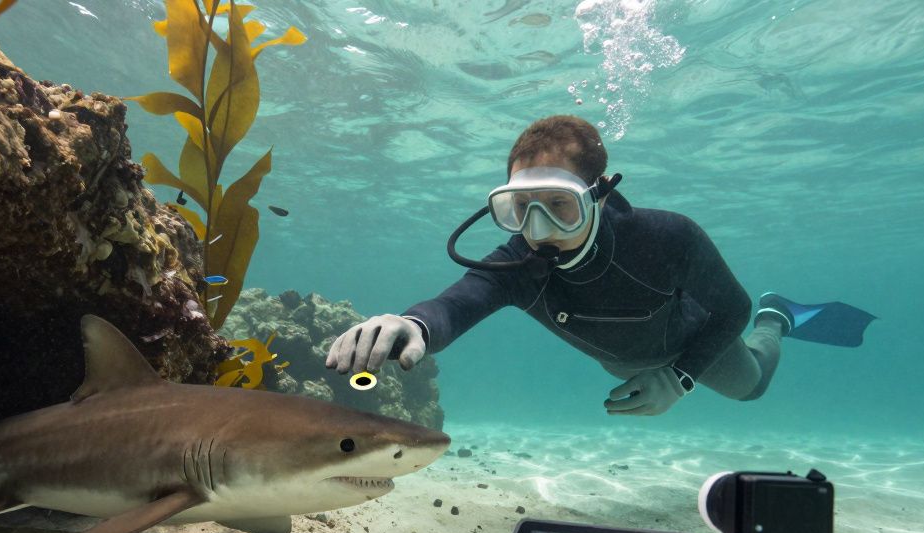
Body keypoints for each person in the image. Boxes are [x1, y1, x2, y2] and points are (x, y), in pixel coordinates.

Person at [325, 115, 875, 416]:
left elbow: (730, 305)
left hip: (692, 349)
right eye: (520, 208)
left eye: (559, 207)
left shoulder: (668, 237)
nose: (538, 231)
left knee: (751, 388)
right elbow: (458, 303)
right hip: (624, 362)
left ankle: (778, 320)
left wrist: (681, 378)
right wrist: (410, 324)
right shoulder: (519, 262)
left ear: (600, 197)